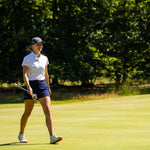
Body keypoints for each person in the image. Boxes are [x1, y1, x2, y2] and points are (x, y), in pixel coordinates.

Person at [18, 37, 62, 144]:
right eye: (38, 44)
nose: (40, 46)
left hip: (42, 85)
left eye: (41, 44)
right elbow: (25, 75)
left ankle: (52, 136)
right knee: (27, 112)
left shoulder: (45, 58)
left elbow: (46, 74)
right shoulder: (27, 58)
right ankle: (21, 133)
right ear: (32, 45)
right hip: (31, 85)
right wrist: (28, 87)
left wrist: (48, 87)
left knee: (47, 110)